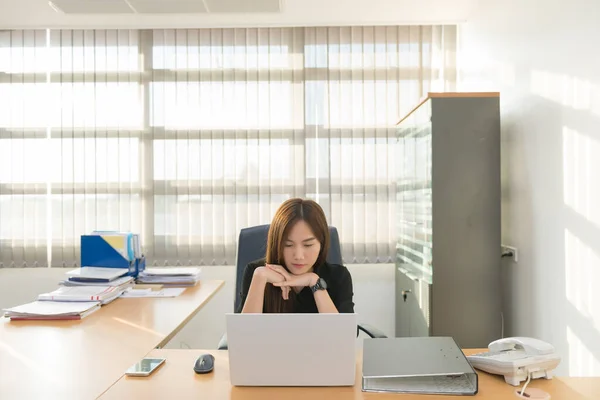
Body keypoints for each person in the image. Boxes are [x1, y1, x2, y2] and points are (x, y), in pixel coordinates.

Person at [237, 198, 354, 314]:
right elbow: (243, 332)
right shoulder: (256, 272)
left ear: (321, 243)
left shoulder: (338, 277)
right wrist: (260, 277)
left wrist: (314, 281)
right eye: (288, 245)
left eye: (308, 245)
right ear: (277, 244)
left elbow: (342, 332)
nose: (298, 256)